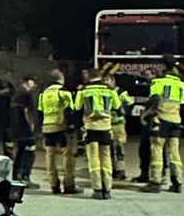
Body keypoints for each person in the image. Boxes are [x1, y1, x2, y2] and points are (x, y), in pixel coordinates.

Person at [145, 58, 184, 194]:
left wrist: (146, 115)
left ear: (164, 66)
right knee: (174, 152)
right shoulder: (181, 84)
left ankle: (155, 182)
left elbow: (153, 100)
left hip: (161, 120)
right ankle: (177, 182)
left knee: (156, 149)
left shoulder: (158, 82)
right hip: (175, 121)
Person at [75, 68, 116, 200]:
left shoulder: (84, 91)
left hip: (91, 128)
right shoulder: (109, 90)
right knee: (106, 157)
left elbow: (77, 107)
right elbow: (116, 105)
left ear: (89, 77)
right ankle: (107, 188)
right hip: (105, 128)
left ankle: (97, 189)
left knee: (93, 158)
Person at [37, 68, 77, 194]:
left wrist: (39, 130)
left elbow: (40, 113)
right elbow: (70, 110)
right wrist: (71, 126)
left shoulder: (43, 94)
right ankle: (69, 184)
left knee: (50, 156)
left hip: (47, 127)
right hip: (61, 127)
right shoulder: (64, 92)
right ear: (61, 79)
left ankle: (54, 184)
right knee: (67, 155)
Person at [10, 76, 38, 182]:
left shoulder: (16, 94)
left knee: (20, 152)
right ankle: (25, 176)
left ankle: (16, 174)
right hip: (25, 129)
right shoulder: (26, 94)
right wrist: (31, 127)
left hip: (16, 128)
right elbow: (28, 112)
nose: (34, 85)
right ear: (27, 82)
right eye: (33, 82)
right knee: (29, 153)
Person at [105, 72, 128, 180]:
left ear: (113, 80)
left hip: (118, 124)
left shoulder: (121, 92)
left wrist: (122, 110)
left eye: (107, 80)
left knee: (119, 148)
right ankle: (112, 169)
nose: (105, 83)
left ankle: (121, 170)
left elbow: (129, 103)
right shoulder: (104, 92)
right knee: (109, 149)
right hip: (107, 124)